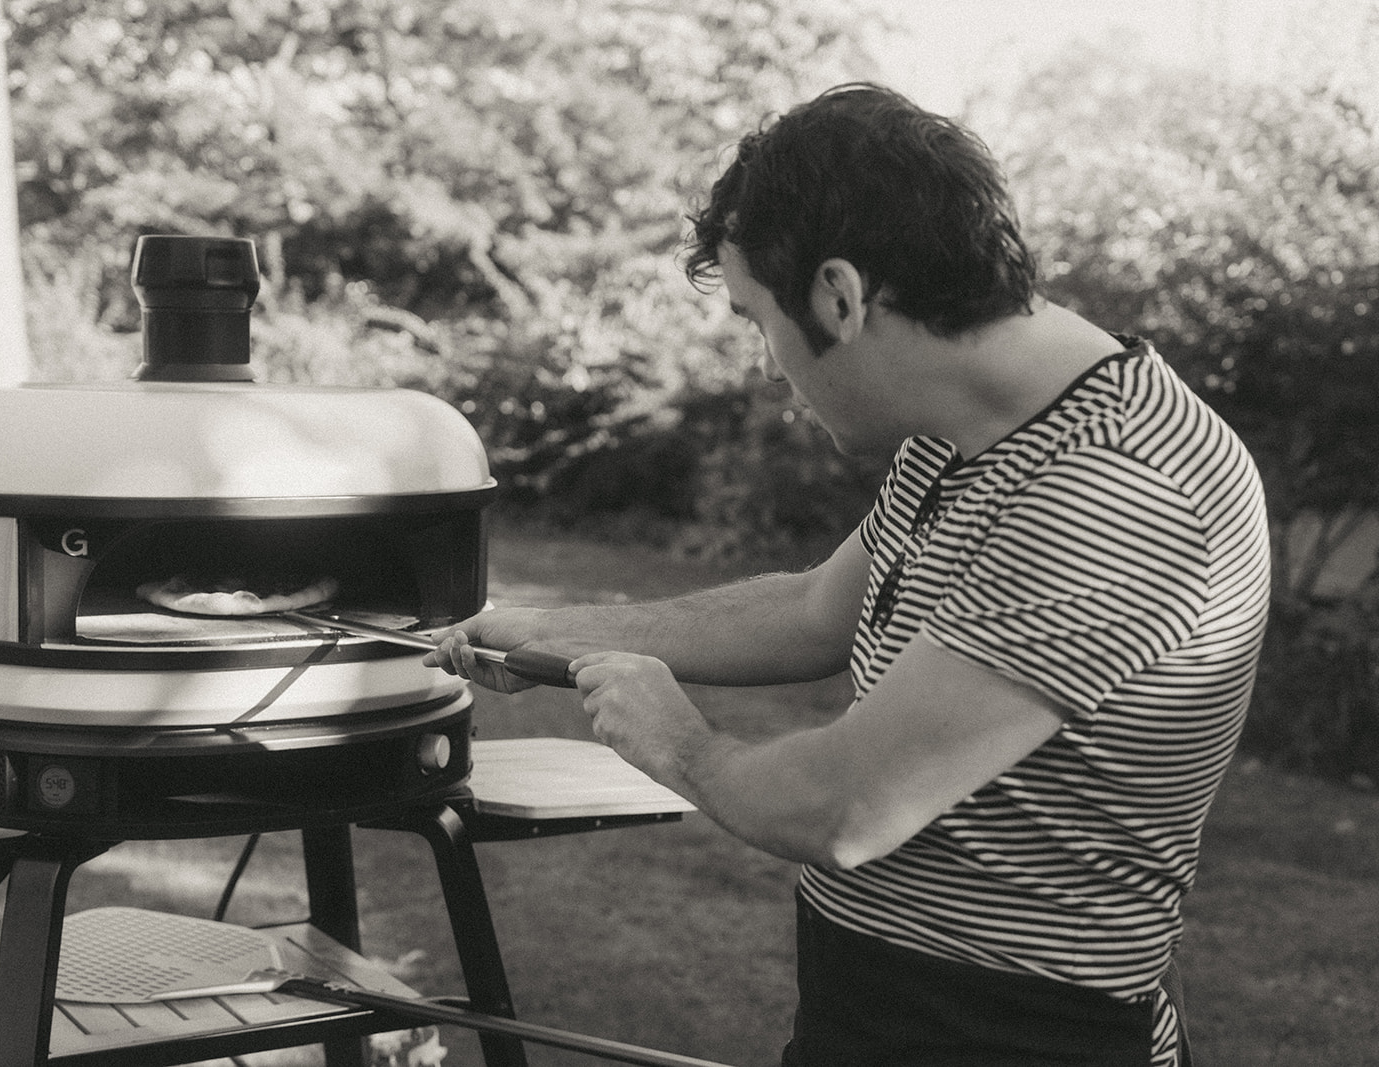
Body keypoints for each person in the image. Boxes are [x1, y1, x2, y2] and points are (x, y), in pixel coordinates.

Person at [425, 82, 1269, 1067]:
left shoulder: (1118, 492)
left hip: (1012, 1033)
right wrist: (543, 631)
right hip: (877, 1009)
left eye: (755, 320)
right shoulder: (972, 432)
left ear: (839, 295)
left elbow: (847, 807)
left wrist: (680, 743)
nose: (767, 363)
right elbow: (814, 610)